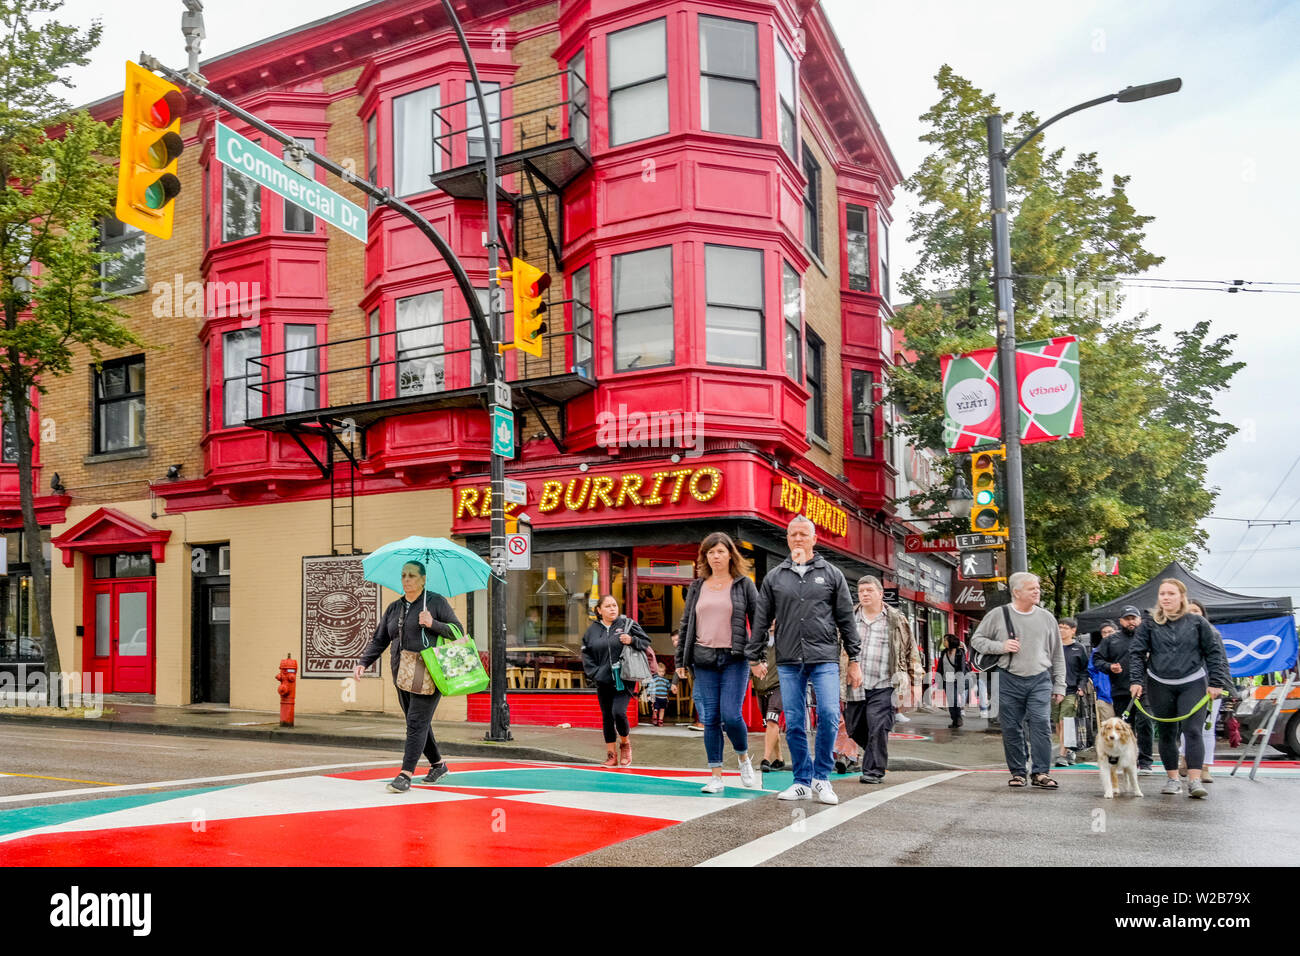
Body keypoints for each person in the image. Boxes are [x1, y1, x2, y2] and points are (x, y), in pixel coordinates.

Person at [751, 515, 861, 805]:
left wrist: (854, 658)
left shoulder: (832, 574)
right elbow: (761, 619)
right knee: (796, 722)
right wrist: (756, 655)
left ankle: (821, 778)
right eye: (793, 534)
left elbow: (846, 618)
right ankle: (801, 780)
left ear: (814, 539)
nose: (798, 538)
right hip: (788, 659)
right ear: (787, 539)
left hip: (824, 657)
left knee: (828, 714)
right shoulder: (775, 577)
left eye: (803, 534)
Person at [353, 560, 461, 793]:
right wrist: (364, 662)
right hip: (401, 673)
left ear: (423, 579)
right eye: (403, 575)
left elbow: (458, 632)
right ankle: (438, 765)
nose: (406, 579)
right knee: (419, 723)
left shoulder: (436, 602)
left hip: (428, 672)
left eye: (412, 575)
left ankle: (405, 775)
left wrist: (433, 624)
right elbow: (380, 638)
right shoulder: (394, 607)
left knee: (416, 722)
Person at [675, 532, 763, 792]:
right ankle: (716, 775)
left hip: (734, 658)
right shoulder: (697, 586)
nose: (716, 556)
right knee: (710, 717)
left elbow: (758, 623)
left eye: (720, 551)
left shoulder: (743, 584)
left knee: (731, 715)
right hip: (703, 659)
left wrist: (757, 657)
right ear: (705, 557)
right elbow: (686, 623)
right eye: (710, 552)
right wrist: (681, 659)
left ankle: (744, 757)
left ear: (730, 555)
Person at [1129, 580, 1232, 799]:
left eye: (1171, 594)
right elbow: (1137, 653)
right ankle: (1173, 779)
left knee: (1193, 730)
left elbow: (1214, 652)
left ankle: (1194, 780)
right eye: (1162, 594)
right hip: (1159, 683)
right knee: (1167, 733)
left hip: (1193, 682)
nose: (1166, 598)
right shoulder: (1148, 624)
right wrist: (1136, 681)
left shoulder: (1197, 622)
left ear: (1181, 596)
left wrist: (1216, 682)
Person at [970, 572, 1066, 790]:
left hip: (1040, 679)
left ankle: (1041, 772)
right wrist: (1000, 646)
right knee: (1011, 727)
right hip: (1008, 679)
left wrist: (1060, 684)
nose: (1037, 591)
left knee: (1040, 723)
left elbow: (1057, 654)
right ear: (1016, 592)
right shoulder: (998, 615)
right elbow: (977, 640)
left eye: (1037, 587)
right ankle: (1018, 772)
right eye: (1031, 588)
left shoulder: (1046, 618)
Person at [846, 576, 924, 784]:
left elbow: (911, 651)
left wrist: (916, 683)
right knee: (854, 728)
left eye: (869, 590)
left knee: (878, 726)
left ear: (880, 594)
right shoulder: (849, 618)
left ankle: (873, 770)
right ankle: (875, 752)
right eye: (861, 591)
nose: (864, 594)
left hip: (885, 684)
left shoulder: (896, 619)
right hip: (855, 685)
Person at [581, 594, 651, 767]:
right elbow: (586, 653)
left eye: (614, 605)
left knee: (618, 712)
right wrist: (595, 673)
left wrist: (632, 640)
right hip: (603, 680)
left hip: (624, 678)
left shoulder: (627, 624)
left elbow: (646, 642)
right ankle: (611, 754)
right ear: (599, 610)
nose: (612, 609)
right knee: (606, 717)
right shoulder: (592, 631)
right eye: (608, 606)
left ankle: (625, 744)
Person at [1092, 606, 1155, 772]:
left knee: (1145, 723)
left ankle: (1146, 761)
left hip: (1146, 689)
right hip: (1121, 690)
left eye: (1134, 618)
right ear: (1120, 621)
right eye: (1127, 618)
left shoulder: (1149, 637)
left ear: (1140, 619)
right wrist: (1109, 666)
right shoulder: (1111, 640)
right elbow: (1097, 660)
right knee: (1124, 727)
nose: (1131, 621)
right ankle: (1125, 759)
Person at [1184, 600, 1228, 783]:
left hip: (1210, 688)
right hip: (1186, 687)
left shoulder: (1213, 634)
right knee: (1187, 729)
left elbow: (1221, 662)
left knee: (1207, 729)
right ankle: (1184, 759)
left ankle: (1205, 767)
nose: (1193, 614)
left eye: (1197, 611)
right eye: (1189, 611)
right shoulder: (1177, 634)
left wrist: (1219, 684)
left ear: (1203, 614)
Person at [1053, 618, 1089, 766]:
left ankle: (1061, 755)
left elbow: (1084, 671)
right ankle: (1068, 750)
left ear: (1073, 630)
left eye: (1065, 628)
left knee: (1065, 721)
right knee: (1057, 724)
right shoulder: (1053, 647)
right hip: (1054, 689)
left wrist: (1082, 686)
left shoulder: (1079, 648)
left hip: (1071, 690)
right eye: (1059, 627)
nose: (1061, 630)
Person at [752, 629, 785, 773]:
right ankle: (780, 759)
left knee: (772, 720)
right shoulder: (757, 640)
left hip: (778, 686)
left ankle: (765, 758)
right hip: (760, 687)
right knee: (771, 724)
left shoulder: (784, 638)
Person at [938, 633, 969, 728]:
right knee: (951, 701)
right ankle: (954, 720)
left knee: (955, 699)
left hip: (956, 679)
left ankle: (958, 718)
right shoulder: (943, 652)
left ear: (950, 642)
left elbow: (962, 668)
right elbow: (940, 666)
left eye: (945, 640)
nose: (944, 642)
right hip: (946, 680)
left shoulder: (960, 652)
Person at [650, 660, 673, 727]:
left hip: (663, 698)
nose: (662, 673)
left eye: (663, 671)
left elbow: (669, 687)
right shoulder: (654, 679)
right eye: (660, 671)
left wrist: (672, 687)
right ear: (656, 672)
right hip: (656, 697)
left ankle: (660, 720)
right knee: (655, 708)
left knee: (662, 709)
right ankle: (654, 717)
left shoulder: (666, 681)